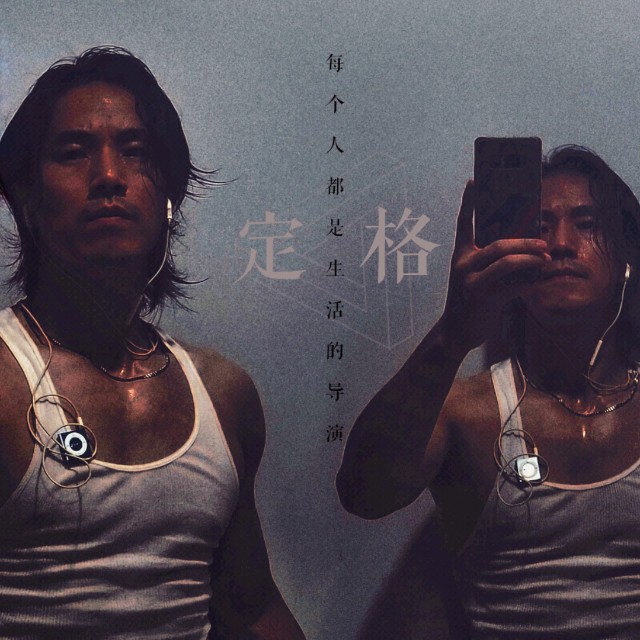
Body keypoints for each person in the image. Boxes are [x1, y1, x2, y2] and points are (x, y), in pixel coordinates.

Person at [0, 46, 305, 639]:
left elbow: (249, 605)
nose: (109, 177)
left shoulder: (223, 394)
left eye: (136, 151)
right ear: (27, 198)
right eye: (73, 152)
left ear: (169, 197)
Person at [337, 145, 640, 638]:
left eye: (587, 224)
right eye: (539, 228)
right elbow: (363, 495)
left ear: (627, 252)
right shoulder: (468, 413)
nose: (562, 244)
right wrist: (453, 332)